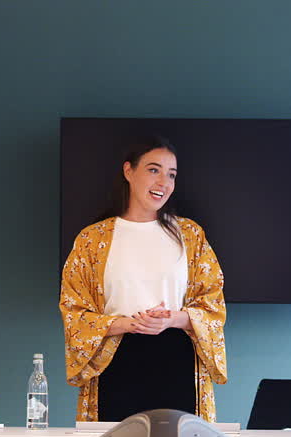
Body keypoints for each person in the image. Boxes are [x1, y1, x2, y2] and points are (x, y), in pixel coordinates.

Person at [60, 137, 228, 422]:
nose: (164, 181)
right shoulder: (92, 239)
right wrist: (129, 323)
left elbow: (213, 305)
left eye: (171, 174)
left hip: (178, 362)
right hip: (115, 363)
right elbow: (74, 310)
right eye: (153, 170)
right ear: (128, 171)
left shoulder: (190, 235)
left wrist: (171, 319)